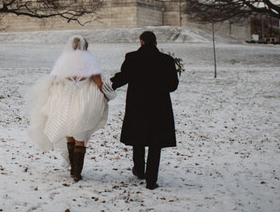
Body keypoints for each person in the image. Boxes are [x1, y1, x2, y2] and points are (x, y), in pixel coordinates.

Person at [28, 35, 116, 181]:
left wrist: (51, 96)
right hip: (84, 101)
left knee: (69, 131)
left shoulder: (63, 62)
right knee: (80, 135)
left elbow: (53, 81)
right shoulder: (89, 63)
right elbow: (99, 83)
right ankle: (77, 172)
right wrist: (106, 97)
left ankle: (73, 169)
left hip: (65, 101)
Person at [111, 31, 178, 190]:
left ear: (141, 42)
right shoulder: (166, 60)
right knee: (156, 143)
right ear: (155, 43)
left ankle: (140, 170)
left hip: (137, 105)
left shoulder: (132, 58)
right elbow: (172, 86)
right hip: (159, 106)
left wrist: (107, 85)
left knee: (138, 138)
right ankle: (151, 179)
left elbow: (122, 78)